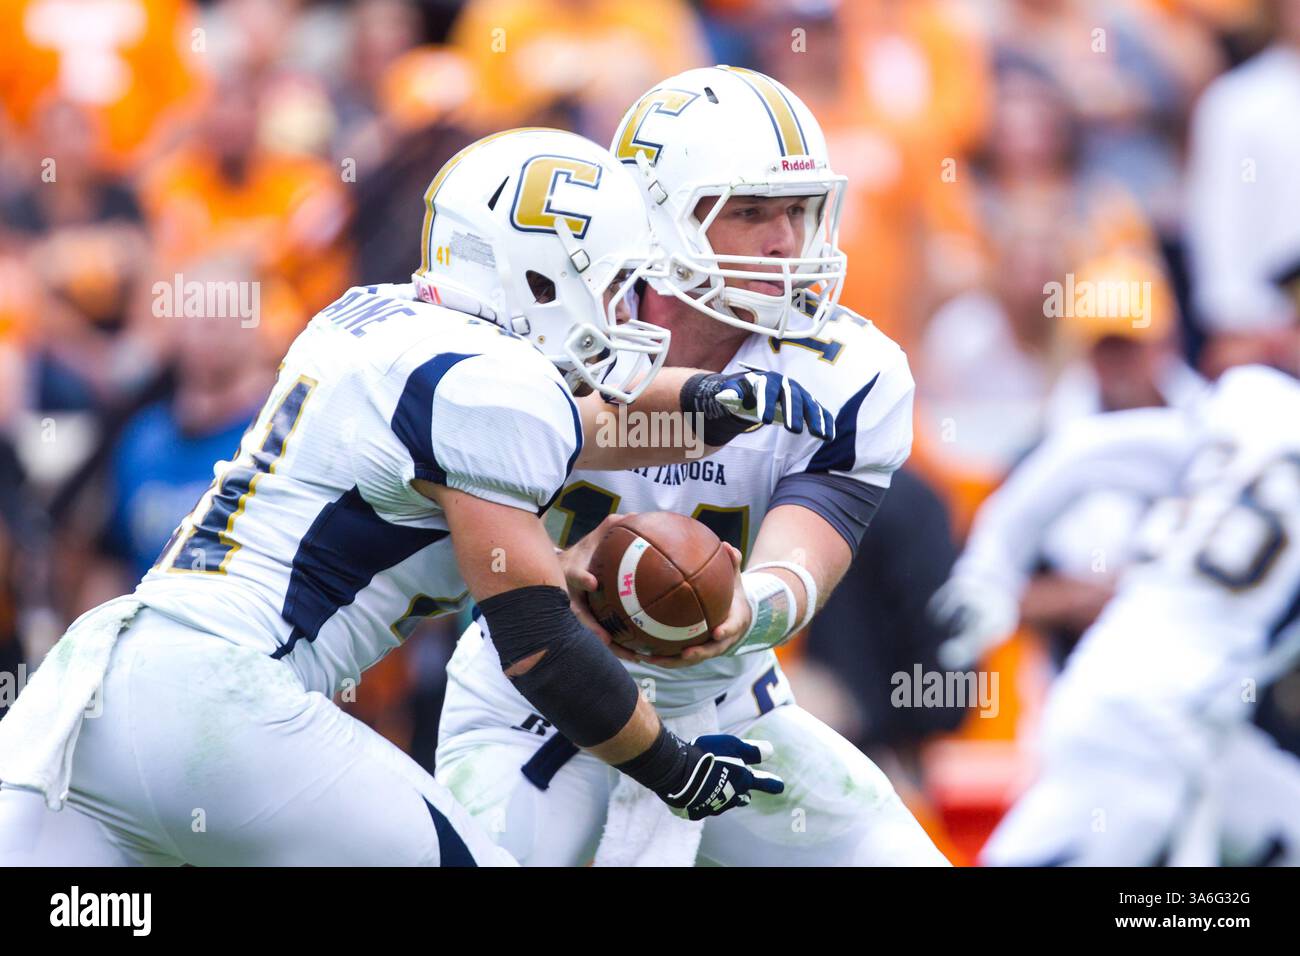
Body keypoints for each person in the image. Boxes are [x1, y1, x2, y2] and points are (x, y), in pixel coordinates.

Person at [0, 127, 836, 866]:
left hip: (103, 693)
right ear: (541, 277)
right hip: (230, 707)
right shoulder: (494, 388)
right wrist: (672, 768)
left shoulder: (374, 317)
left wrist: (710, 409)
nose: (623, 312)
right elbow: (538, 642)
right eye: (615, 284)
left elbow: (568, 429)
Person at [435, 67, 949, 866]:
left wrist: (743, 607)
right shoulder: (545, 324)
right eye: (749, 212)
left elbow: (799, 566)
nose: (785, 240)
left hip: (727, 704)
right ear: (656, 219)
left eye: (799, 210)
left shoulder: (851, 371)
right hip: (540, 696)